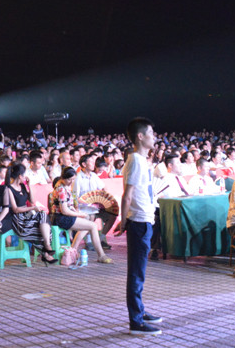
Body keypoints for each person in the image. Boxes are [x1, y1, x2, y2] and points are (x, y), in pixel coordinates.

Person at [117, 117, 164, 336]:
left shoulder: (141, 160)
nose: (154, 137)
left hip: (144, 220)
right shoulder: (135, 160)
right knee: (136, 273)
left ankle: (140, 311)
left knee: (139, 272)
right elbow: (127, 195)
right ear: (140, 136)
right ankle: (136, 322)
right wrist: (123, 221)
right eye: (151, 133)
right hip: (138, 222)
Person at [49, 167, 112, 263]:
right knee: (93, 226)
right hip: (62, 218)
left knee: (87, 226)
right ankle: (101, 255)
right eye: (69, 179)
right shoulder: (61, 189)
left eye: (73, 179)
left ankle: (73, 250)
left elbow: (68, 205)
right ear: (63, 177)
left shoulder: (63, 185)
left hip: (63, 216)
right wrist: (78, 215)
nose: (71, 182)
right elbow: (64, 210)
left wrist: (76, 211)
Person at [4, 163, 57, 263]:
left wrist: (29, 185)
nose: (25, 176)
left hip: (27, 215)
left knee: (43, 215)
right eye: (24, 174)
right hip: (18, 219)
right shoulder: (9, 189)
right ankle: (45, 253)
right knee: (38, 228)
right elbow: (15, 209)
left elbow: (32, 200)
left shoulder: (22, 186)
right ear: (20, 176)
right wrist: (32, 208)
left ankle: (47, 245)